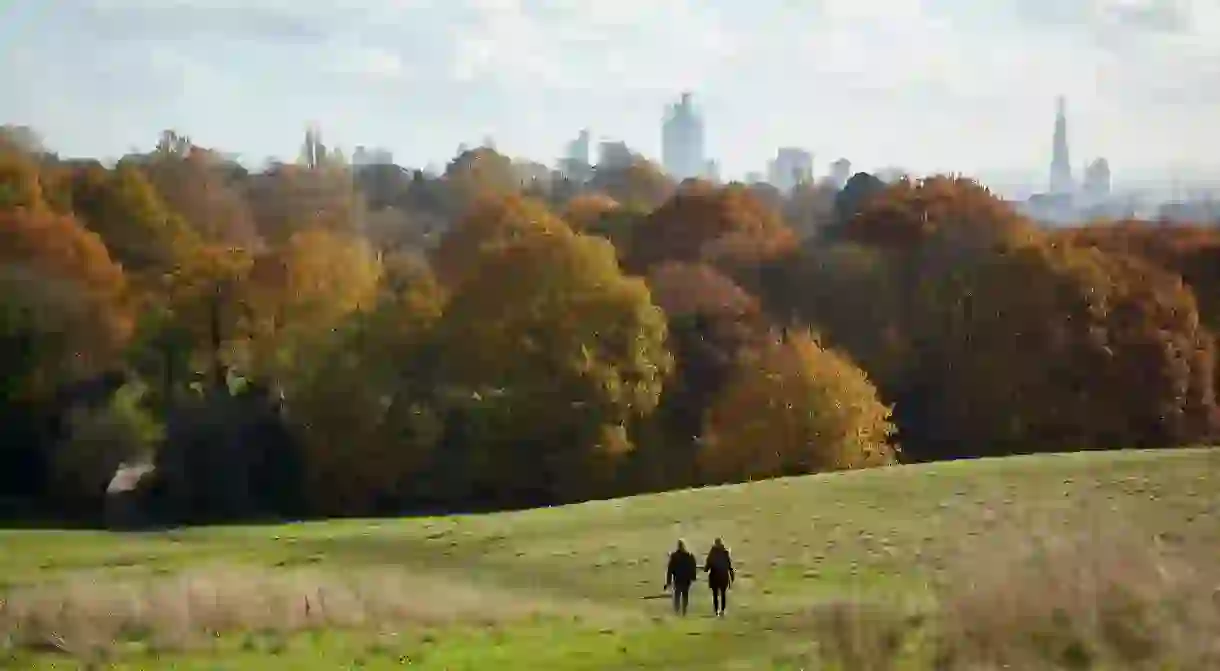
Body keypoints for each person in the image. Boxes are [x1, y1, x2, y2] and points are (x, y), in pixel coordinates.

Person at [664, 539, 697, 615]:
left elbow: (670, 569)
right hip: (686, 578)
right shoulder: (689, 555)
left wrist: (668, 581)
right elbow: (693, 566)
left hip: (678, 578)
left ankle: (677, 610)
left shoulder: (675, 556)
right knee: (685, 594)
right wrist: (693, 576)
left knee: (678, 594)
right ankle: (683, 611)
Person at [704, 537, 735, 617]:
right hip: (723, 576)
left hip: (714, 576)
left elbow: (708, 564)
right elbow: (729, 565)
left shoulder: (712, 553)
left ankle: (716, 610)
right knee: (723, 594)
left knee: (715, 594)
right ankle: (722, 610)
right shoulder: (725, 552)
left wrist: (706, 569)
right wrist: (732, 575)